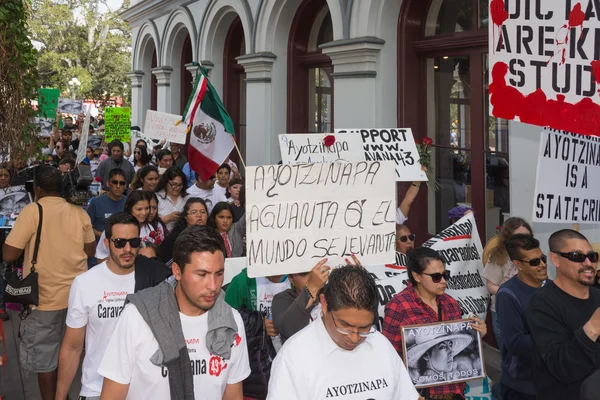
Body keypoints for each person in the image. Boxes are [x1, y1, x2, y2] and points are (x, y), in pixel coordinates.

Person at [98, 225, 251, 399]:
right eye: (202, 274)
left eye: (219, 274)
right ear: (177, 271)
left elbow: (233, 395)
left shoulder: (232, 321)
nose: (213, 286)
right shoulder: (137, 317)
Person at [2, 165, 95, 400]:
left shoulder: (33, 211)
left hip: (44, 300)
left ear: (37, 188)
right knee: (71, 352)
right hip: (77, 299)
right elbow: (90, 250)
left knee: (46, 360)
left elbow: (9, 254)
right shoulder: (79, 212)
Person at [55, 213, 171, 400]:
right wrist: (60, 396)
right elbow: (73, 347)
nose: (127, 249)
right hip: (96, 390)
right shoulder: (85, 283)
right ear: (107, 244)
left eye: (133, 242)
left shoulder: (155, 277)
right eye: (119, 243)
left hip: (143, 391)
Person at [268, 265, 420, 400]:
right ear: (325, 305)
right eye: (344, 325)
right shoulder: (293, 357)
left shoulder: (381, 345)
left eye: (364, 328)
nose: (354, 338)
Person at [383, 247, 487, 399]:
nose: (444, 281)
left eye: (445, 275)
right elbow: (390, 355)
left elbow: (463, 348)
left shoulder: (450, 303)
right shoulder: (399, 306)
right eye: (436, 277)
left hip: (455, 392)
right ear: (417, 276)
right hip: (421, 394)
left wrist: (477, 334)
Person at [526, 229, 600, 399]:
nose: (588, 263)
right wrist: (592, 329)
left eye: (592, 256)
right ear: (555, 259)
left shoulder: (597, 296)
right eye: (577, 256)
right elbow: (562, 368)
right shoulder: (541, 304)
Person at [225, 265, 291, 399]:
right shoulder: (244, 280)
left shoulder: (299, 277)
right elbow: (225, 320)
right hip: (257, 374)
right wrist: (259, 324)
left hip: (291, 368)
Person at [496, 234, 547, 400]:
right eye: (534, 262)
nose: (543, 265)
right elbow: (516, 343)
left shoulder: (553, 287)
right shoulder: (507, 295)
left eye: (543, 258)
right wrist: (556, 339)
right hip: (522, 386)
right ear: (518, 265)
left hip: (552, 382)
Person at [482, 217, 532, 349]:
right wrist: (512, 294)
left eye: (527, 236)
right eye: (518, 236)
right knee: (510, 355)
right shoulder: (498, 256)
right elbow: (490, 285)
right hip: (504, 311)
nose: (523, 240)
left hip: (529, 311)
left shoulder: (533, 254)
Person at [272, 259, 330, 343]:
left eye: (316, 272)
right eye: (304, 274)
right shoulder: (282, 299)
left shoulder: (330, 294)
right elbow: (287, 329)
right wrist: (311, 288)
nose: (313, 277)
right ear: (290, 278)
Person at [95, 191, 155, 262]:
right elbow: (100, 258)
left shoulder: (150, 229)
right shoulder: (114, 228)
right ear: (128, 207)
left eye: (147, 208)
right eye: (139, 209)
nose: (144, 213)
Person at [158, 197, 208, 263]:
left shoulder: (212, 235)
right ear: (186, 217)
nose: (199, 215)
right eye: (194, 212)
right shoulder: (174, 239)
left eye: (203, 212)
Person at [87, 168, 127, 239]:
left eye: (122, 183)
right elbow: (87, 227)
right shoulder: (96, 202)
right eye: (115, 182)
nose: (118, 186)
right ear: (107, 183)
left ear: (125, 186)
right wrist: (104, 236)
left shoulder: (129, 202)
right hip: (101, 246)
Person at [156, 167, 189, 231]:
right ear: (166, 183)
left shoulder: (187, 198)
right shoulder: (157, 198)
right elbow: (148, 223)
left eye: (180, 185)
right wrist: (166, 219)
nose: (177, 188)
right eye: (174, 184)